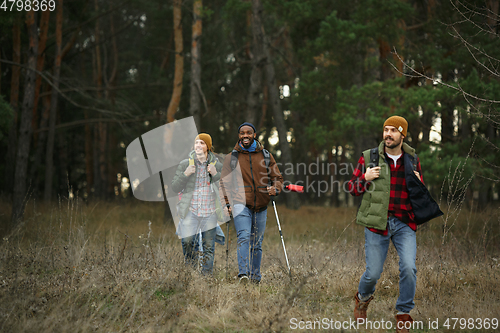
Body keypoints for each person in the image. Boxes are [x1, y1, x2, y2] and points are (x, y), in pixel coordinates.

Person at [348, 116, 424, 332]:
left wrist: (420, 183)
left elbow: (420, 195)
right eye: (385, 130)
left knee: (409, 267)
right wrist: (365, 177)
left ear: (403, 134)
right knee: (372, 273)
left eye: (393, 130)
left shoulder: (412, 159)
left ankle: (403, 313)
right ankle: (362, 300)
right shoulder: (369, 157)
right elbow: (352, 188)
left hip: (403, 223)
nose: (388, 134)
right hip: (376, 223)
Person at [220, 122, 283, 284]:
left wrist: (275, 188)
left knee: (257, 243)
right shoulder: (231, 158)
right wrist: (225, 204)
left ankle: (255, 277)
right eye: (242, 133)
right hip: (240, 203)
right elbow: (224, 183)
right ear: (239, 135)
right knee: (244, 237)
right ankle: (243, 275)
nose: (245, 136)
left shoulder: (266, 155)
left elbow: (277, 177)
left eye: (249, 133)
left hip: (262, 204)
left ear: (254, 135)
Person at [171, 133, 225, 275]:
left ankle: (206, 276)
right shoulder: (185, 164)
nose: (198, 145)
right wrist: (186, 174)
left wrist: (216, 175)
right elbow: (174, 187)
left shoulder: (217, 166)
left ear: (208, 146)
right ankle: (190, 273)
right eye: (196, 143)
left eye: (202, 143)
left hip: (210, 212)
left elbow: (226, 188)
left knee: (209, 246)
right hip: (191, 211)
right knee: (188, 242)